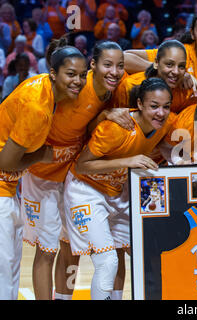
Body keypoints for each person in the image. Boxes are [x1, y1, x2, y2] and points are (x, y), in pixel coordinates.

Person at [21, 40, 133, 301]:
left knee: (71, 246)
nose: (114, 71)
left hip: (74, 174)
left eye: (119, 66)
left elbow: (85, 121)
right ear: (93, 65)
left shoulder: (114, 87)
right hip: (43, 173)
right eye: (107, 65)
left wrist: (103, 117)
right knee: (47, 250)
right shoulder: (70, 87)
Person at [63, 77, 175, 300]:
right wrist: (126, 161)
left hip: (118, 193)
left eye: (166, 107)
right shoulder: (115, 128)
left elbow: (165, 148)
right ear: (140, 104)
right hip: (85, 189)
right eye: (154, 106)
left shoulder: (164, 126)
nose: (161, 113)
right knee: (107, 261)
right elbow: (82, 165)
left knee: (143, 255)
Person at [0, 43, 87, 300]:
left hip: (9, 189)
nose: (78, 81)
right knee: (5, 271)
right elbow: (5, 163)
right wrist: (41, 155)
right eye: (71, 74)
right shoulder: (37, 107)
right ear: (53, 73)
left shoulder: (44, 89)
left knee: (11, 268)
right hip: (3, 185)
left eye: (82, 75)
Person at [123, 9, 197, 83]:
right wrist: (167, 70)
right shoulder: (179, 52)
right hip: (182, 117)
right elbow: (123, 58)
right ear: (192, 34)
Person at [112, 39, 196, 115]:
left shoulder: (185, 91)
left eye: (181, 66)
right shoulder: (130, 86)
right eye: (169, 65)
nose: (176, 72)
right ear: (156, 63)